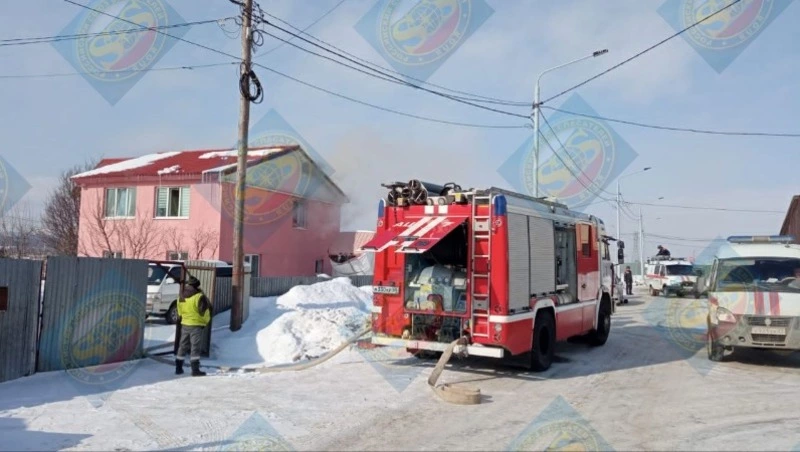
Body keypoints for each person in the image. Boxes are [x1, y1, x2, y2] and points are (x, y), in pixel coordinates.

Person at [175, 275, 212, 377]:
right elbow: (204, 312)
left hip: (185, 324)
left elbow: (179, 310)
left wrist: (184, 318)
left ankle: (178, 368)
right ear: (197, 286)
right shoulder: (199, 297)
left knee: (182, 346)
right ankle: (195, 370)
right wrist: (205, 322)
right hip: (196, 325)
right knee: (195, 347)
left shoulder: (182, 296)